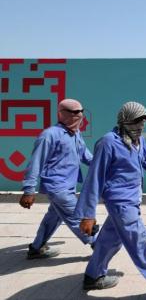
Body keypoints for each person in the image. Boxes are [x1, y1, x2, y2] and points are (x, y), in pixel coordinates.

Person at [75, 101, 146, 299]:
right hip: (120, 202)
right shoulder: (108, 143)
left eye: (143, 121)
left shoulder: (138, 141)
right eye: (136, 121)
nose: (140, 126)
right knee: (141, 240)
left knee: (109, 240)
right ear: (124, 120)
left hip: (132, 199)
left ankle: (93, 276)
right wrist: (87, 214)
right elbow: (94, 178)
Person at [19, 98, 97, 259]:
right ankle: (99, 247)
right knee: (79, 218)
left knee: (53, 217)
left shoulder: (76, 134)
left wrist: (106, 166)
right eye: (75, 112)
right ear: (61, 114)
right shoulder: (49, 135)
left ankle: (37, 247)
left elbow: (86, 156)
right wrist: (29, 190)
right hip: (57, 186)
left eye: (81, 111)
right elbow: (35, 162)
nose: (79, 115)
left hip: (68, 185)